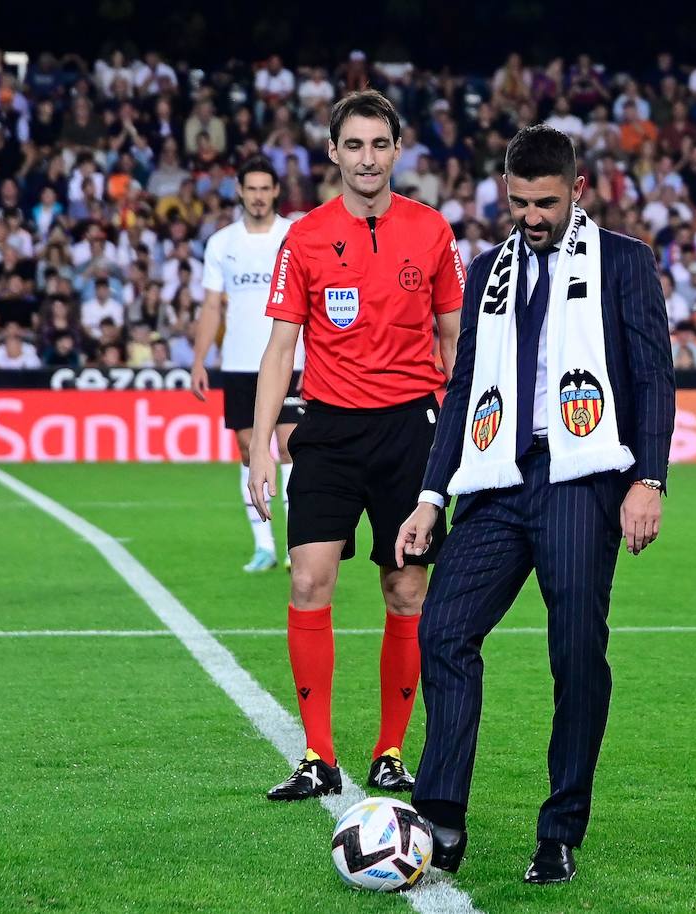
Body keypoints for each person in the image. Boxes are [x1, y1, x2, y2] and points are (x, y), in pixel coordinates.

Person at [395, 125, 676, 884]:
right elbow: (461, 390)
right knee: (445, 630)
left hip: (582, 475)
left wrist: (649, 479)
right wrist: (430, 495)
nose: (532, 216)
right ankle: (442, 814)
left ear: (577, 190)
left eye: (546, 203)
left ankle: (559, 830)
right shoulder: (488, 269)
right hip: (495, 477)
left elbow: (653, 376)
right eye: (519, 202)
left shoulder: (625, 262)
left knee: (575, 654)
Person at [248, 90, 465, 803]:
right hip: (330, 428)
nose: (367, 158)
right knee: (309, 579)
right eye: (354, 145)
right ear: (333, 153)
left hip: (410, 429)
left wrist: (463, 432)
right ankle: (318, 754)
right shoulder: (305, 237)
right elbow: (281, 349)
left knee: (406, 588)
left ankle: (391, 749)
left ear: (397, 151)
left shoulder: (431, 232)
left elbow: (454, 340)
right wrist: (257, 446)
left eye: (380, 145)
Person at [191, 156, 302, 572]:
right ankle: (264, 547)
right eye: (250, 188)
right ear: (240, 191)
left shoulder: (295, 235)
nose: (258, 196)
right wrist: (200, 359)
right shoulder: (222, 243)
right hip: (239, 363)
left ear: (275, 191)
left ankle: (294, 545)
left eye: (264, 188)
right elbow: (211, 306)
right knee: (245, 449)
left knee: (293, 447)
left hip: (291, 358)